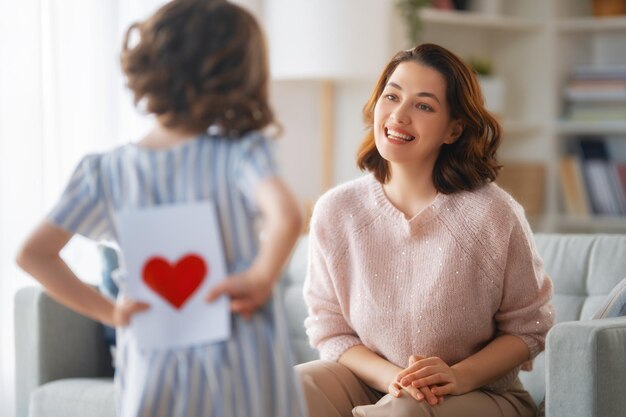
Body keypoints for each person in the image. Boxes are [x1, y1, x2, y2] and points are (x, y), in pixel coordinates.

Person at [16, 1, 307, 416]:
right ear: (240, 76)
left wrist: (112, 312)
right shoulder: (243, 153)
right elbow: (287, 215)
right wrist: (260, 277)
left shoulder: (106, 172)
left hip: (155, 358)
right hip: (242, 353)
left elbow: (33, 254)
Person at [296, 43, 555, 417]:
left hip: (480, 394)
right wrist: (394, 379)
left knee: (405, 411)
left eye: (423, 105)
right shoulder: (336, 211)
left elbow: (531, 328)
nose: (399, 116)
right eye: (392, 96)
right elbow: (330, 331)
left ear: (454, 129)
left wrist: (457, 376)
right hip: (373, 384)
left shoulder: (493, 215)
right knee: (295, 388)